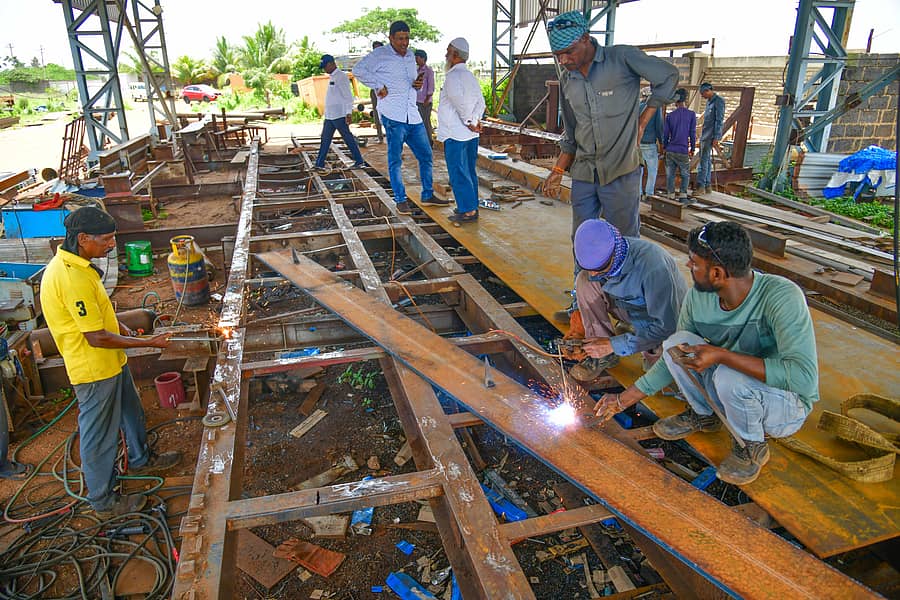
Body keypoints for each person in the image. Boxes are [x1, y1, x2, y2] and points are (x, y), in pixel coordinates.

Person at [594, 221, 819, 485]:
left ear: (717, 274)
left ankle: (751, 445)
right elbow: (672, 358)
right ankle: (704, 415)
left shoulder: (781, 296)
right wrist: (622, 401)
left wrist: (721, 356)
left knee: (727, 376)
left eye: (694, 262)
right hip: (734, 391)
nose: (689, 266)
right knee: (676, 343)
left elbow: (803, 378)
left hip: (783, 407)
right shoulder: (699, 298)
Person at [40, 207, 181, 517]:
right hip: (93, 369)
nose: (111, 245)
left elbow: (97, 312)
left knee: (131, 413)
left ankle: (141, 458)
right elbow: (96, 337)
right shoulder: (70, 277)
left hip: (111, 362)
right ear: (83, 238)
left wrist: (121, 325)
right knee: (99, 436)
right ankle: (104, 501)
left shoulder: (79, 265)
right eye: (106, 239)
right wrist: (148, 342)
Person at [540, 10, 678, 320]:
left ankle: (630, 310)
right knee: (583, 240)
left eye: (569, 52)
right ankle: (584, 305)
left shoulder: (621, 60)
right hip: (585, 173)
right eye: (558, 55)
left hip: (621, 170)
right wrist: (558, 170)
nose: (564, 61)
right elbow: (572, 133)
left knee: (625, 239)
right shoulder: (568, 79)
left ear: (586, 40)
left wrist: (645, 119)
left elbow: (668, 76)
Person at [561, 219, 687, 381]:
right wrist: (577, 317)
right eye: (590, 268)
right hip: (626, 307)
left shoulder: (653, 266)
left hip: (661, 320)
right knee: (583, 280)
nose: (593, 275)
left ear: (615, 255)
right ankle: (603, 355)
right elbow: (588, 277)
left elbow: (666, 326)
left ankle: (630, 343)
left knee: (661, 374)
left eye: (599, 269)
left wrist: (614, 345)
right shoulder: (593, 259)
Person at [354, 20, 436, 215]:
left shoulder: (410, 56)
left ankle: (428, 193)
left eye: (407, 38)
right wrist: (378, 85)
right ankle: (400, 199)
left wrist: (415, 84)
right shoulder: (380, 54)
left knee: (426, 155)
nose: (404, 42)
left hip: (412, 115)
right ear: (391, 38)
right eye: (400, 38)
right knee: (395, 160)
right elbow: (358, 70)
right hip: (393, 115)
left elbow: (408, 81)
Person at [436, 37, 485, 224]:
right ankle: (471, 206)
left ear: (455, 55)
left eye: (448, 51)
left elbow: (459, 103)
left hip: (456, 133)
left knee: (458, 172)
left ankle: (467, 211)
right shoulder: (470, 76)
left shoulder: (452, 77)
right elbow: (481, 103)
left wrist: (469, 121)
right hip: (471, 134)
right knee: (469, 171)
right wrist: (476, 121)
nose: (446, 54)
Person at [315, 54, 366, 170]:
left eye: (325, 66)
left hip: (339, 114)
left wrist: (348, 113)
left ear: (331, 64)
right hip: (330, 115)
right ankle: (319, 163)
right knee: (325, 139)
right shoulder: (332, 77)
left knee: (347, 138)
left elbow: (348, 97)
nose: (324, 69)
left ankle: (359, 161)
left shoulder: (341, 77)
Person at [664, 88, 697, 203]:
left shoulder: (670, 116)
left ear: (675, 101)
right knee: (685, 173)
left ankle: (670, 195)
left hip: (671, 150)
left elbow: (665, 134)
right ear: (685, 100)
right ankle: (683, 195)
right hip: (683, 150)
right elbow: (692, 133)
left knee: (670, 174)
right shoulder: (691, 115)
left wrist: (665, 147)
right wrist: (692, 148)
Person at [697, 82, 725, 194]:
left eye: (702, 93)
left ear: (708, 91)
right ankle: (707, 185)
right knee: (706, 161)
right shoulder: (710, 102)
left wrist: (717, 137)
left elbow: (719, 120)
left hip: (710, 135)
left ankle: (701, 186)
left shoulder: (719, 101)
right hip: (705, 134)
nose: (702, 96)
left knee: (703, 162)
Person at [639, 87, 664, 199]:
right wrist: (662, 142)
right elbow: (659, 126)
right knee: (652, 170)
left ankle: (639, 193)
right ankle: (649, 194)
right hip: (649, 143)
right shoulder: (655, 108)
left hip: (638, 143)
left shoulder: (637, 107)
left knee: (639, 170)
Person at [414, 49, 435, 147]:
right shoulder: (417, 71)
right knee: (419, 123)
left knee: (426, 122)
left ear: (423, 58)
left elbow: (431, 86)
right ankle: (422, 142)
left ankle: (429, 142)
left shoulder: (428, 70)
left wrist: (427, 98)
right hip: (417, 101)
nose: (416, 60)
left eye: (417, 58)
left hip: (425, 102)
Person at [368, 41, 385, 144]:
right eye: (375, 49)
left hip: (386, 90)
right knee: (376, 112)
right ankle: (380, 136)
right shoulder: (371, 62)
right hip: (374, 89)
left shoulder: (388, 61)